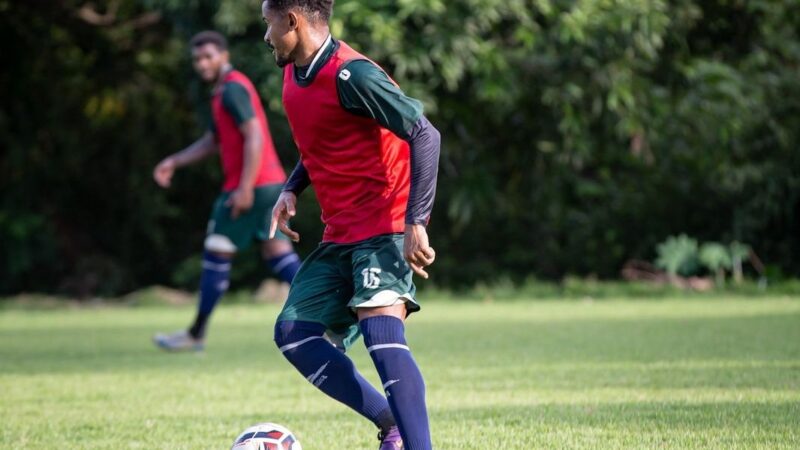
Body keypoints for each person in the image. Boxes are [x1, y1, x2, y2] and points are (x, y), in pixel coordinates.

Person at [262, 1, 441, 449]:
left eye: (269, 25)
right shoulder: (293, 74)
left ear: (292, 21)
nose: (266, 37)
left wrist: (415, 221)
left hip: (383, 226)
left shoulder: (353, 75)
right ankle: (391, 424)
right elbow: (322, 139)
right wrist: (291, 188)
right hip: (340, 232)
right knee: (293, 334)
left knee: (381, 331)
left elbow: (425, 134)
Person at [152, 31, 302, 352]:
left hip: (251, 187)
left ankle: (195, 334)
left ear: (223, 55)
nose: (202, 63)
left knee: (217, 250)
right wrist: (174, 161)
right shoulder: (224, 91)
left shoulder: (233, 88)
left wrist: (245, 188)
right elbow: (214, 140)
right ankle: (336, 316)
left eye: (208, 56)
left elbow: (255, 137)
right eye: (197, 59)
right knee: (279, 256)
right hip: (268, 184)